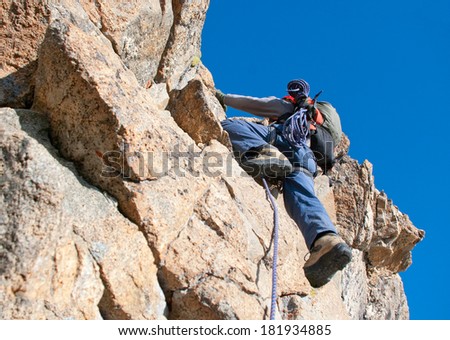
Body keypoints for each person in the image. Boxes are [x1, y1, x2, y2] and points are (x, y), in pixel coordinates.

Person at [216, 79, 352, 288]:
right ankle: (326, 240)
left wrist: (223, 98)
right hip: (308, 162)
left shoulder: (294, 108)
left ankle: (262, 152)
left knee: (230, 126)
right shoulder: (322, 134)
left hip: (284, 141)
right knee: (303, 197)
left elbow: (255, 104)